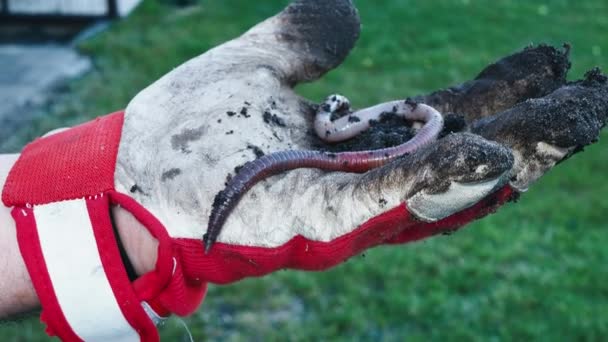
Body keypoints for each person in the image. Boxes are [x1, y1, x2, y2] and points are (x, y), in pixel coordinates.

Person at [1, 0, 606, 340]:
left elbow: (339, 138)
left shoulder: (368, 129)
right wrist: (97, 206)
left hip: (367, 141)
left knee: (426, 149)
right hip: (349, 144)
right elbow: (332, 136)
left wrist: (80, 198)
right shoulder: (338, 128)